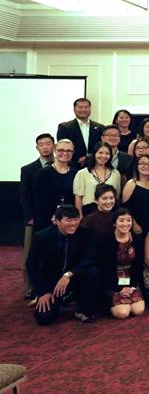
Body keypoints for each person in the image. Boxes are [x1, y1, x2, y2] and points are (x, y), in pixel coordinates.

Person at [27, 205, 99, 325]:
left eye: (76, 219)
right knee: (44, 319)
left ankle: (81, 307)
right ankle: (62, 299)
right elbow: (32, 265)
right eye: (68, 220)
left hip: (74, 277)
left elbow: (89, 258)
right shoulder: (41, 237)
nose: (73, 224)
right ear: (57, 221)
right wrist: (42, 292)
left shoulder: (85, 234)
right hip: (52, 284)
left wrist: (68, 275)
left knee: (93, 272)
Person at [92, 208, 145, 320]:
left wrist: (131, 286)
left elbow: (138, 265)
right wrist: (119, 288)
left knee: (138, 310)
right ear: (114, 223)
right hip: (111, 281)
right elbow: (105, 268)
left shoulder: (136, 239)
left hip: (130, 280)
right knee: (123, 313)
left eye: (128, 220)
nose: (125, 224)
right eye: (121, 220)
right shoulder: (105, 240)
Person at [19, 133, 54, 298]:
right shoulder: (28, 169)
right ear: (37, 147)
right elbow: (24, 196)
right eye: (42, 144)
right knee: (31, 254)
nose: (45, 147)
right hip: (35, 219)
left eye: (48, 144)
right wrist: (30, 218)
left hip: (56, 218)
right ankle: (30, 288)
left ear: (53, 146)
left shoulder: (62, 166)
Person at [72, 143, 121, 216]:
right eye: (100, 153)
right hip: (89, 213)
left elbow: (117, 196)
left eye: (107, 153)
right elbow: (78, 198)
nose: (103, 156)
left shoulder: (116, 173)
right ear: (94, 154)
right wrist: (80, 216)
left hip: (110, 213)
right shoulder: (82, 173)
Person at [122, 155, 149, 236]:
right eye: (142, 163)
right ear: (137, 166)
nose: (146, 166)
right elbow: (124, 207)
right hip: (136, 227)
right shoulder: (131, 183)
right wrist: (133, 223)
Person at [56, 98, 103, 165]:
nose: (83, 110)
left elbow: (102, 147)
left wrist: (88, 158)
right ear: (74, 109)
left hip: (95, 165)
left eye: (86, 107)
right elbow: (63, 147)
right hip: (72, 165)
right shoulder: (64, 127)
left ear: (90, 109)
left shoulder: (100, 127)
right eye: (80, 107)